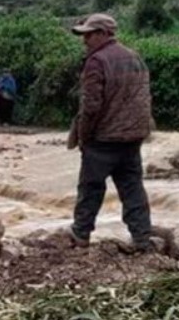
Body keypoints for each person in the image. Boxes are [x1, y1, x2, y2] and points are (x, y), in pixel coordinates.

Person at [67, 13, 154, 252]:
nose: (85, 40)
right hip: (132, 138)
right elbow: (144, 99)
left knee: (90, 188)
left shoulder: (96, 61)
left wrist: (84, 137)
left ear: (104, 34)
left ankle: (81, 234)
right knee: (132, 188)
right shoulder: (134, 57)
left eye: (89, 35)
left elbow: (91, 106)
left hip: (103, 139)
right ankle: (142, 238)